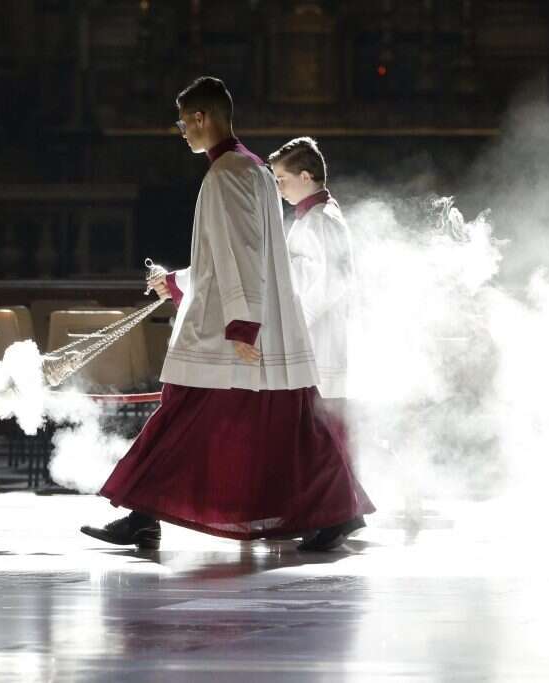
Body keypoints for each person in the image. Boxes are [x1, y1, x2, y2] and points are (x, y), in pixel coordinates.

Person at [80, 77, 372, 552]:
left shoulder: (228, 174)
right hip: (264, 326)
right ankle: (332, 511)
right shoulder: (252, 169)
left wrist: (242, 324)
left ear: (202, 118)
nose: (181, 132)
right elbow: (236, 256)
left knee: (186, 418)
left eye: (183, 122)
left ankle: (144, 516)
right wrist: (179, 282)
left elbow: (243, 254)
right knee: (285, 423)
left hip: (230, 332)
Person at [268, 137, 353, 402]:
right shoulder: (310, 217)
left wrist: (295, 324)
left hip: (319, 341)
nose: (277, 187)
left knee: (321, 425)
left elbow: (332, 280)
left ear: (305, 176)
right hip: (310, 340)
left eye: (281, 178)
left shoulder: (323, 219)